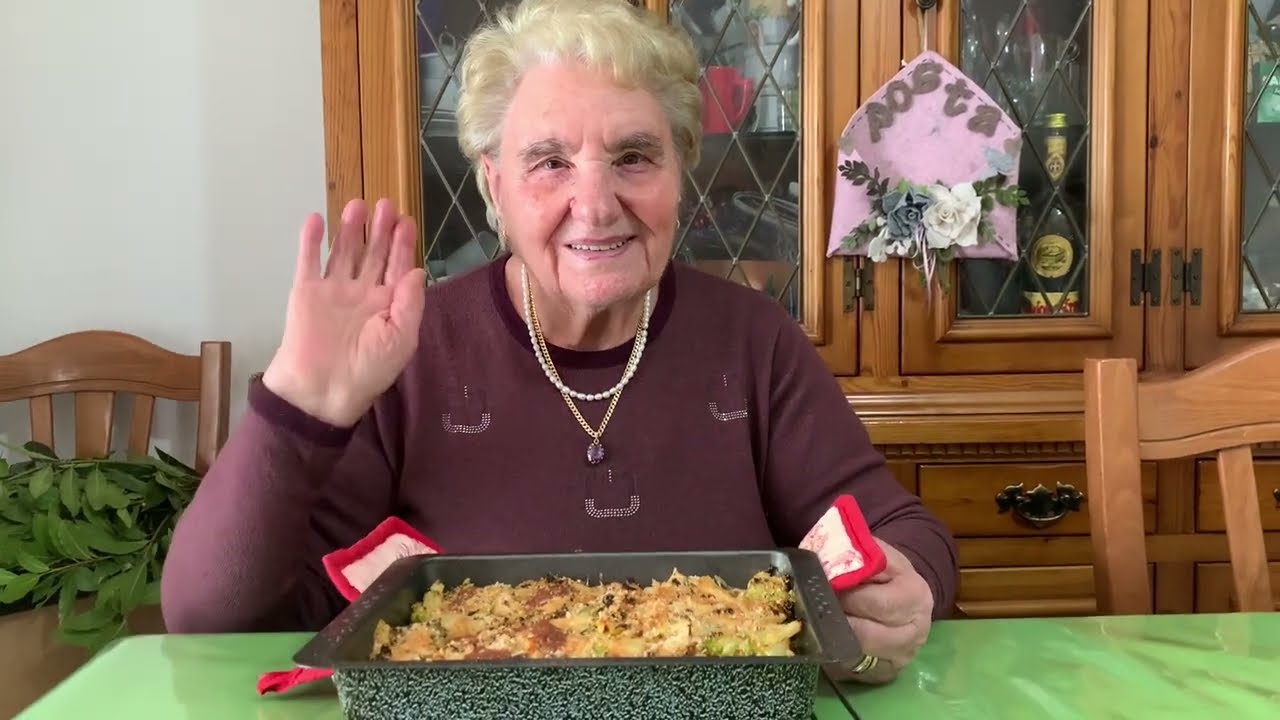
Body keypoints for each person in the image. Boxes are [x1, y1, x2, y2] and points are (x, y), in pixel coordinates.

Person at [160, 0, 957, 684]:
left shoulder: (755, 340)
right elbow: (210, 619)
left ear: (681, 172)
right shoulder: (409, 352)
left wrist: (905, 589)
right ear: (494, 184)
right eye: (548, 162)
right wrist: (298, 404)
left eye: (634, 157)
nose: (595, 204)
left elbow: (904, 533)